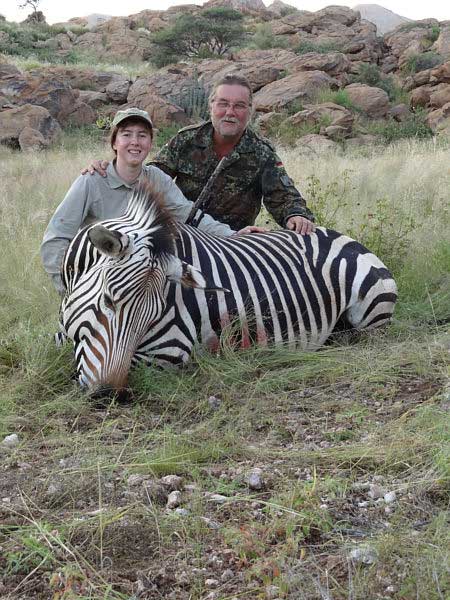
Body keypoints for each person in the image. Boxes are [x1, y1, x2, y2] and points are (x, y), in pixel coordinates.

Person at [41, 107, 255, 296]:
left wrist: (233, 235)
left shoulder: (156, 178)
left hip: (142, 282)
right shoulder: (91, 181)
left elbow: (190, 216)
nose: (135, 142)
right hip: (99, 283)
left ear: (151, 143)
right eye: (126, 135)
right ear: (115, 142)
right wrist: (70, 291)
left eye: (142, 135)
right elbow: (56, 238)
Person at [85, 74, 315, 235]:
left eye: (239, 106)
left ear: (249, 111)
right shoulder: (186, 140)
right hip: (181, 240)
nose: (230, 113)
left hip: (231, 243)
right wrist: (112, 167)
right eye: (223, 104)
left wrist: (295, 215)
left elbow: (284, 195)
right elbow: (147, 177)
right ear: (211, 106)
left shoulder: (262, 153)